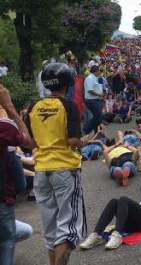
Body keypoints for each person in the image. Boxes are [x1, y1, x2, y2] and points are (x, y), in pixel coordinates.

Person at [26, 63, 91, 265]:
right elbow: (73, 141)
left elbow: (32, 142)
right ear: (68, 83)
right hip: (64, 170)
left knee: (51, 230)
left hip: (41, 172)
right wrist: (83, 142)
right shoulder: (69, 106)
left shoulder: (33, 107)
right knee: (67, 231)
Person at [0, 83, 35, 265]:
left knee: (23, 230)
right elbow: (28, 142)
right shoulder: (4, 126)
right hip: (2, 201)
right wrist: (10, 107)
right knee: (7, 240)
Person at [83, 64, 104, 134]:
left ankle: (96, 132)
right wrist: (99, 94)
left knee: (98, 117)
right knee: (98, 116)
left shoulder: (95, 78)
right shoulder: (90, 78)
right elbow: (90, 90)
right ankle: (86, 129)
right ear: (96, 71)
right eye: (99, 71)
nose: (99, 72)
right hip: (91, 100)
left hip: (95, 99)